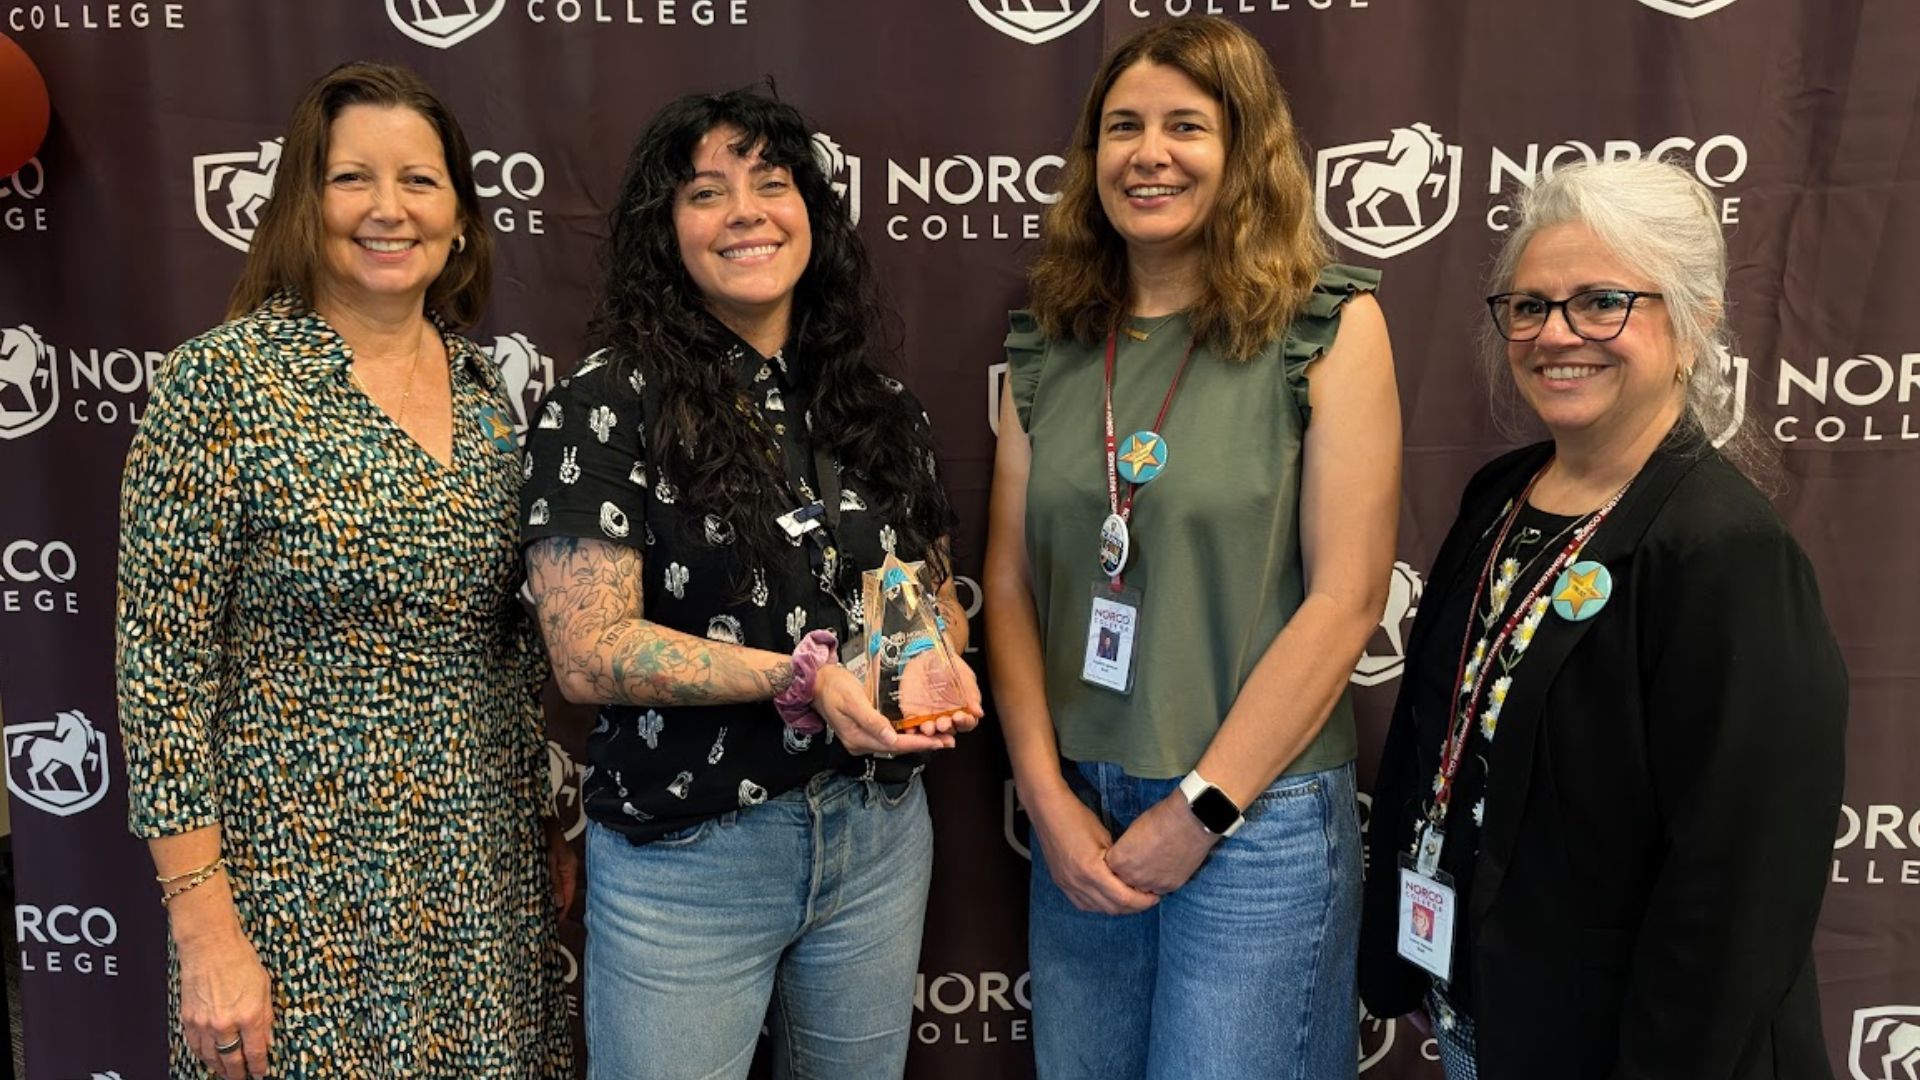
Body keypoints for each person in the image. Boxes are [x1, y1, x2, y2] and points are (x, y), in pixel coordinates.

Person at [115, 62, 573, 1080]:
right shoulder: (220, 385)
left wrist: (548, 817)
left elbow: (503, 646)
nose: (387, 208)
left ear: (460, 219)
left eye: (420, 181)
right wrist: (204, 931)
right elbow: (161, 678)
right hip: (296, 887)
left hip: (481, 872)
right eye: (351, 178)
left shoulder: (483, 390)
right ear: (301, 205)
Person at [519, 87, 982, 1080]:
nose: (744, 213)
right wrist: (805, 679)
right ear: (666, 228)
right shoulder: (605, 403)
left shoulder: (877, 405)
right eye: (706, 192)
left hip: (876, 842)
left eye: (771, 184)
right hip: (690, 858)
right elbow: (589, 652)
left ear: (810, 210)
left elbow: (929, 588)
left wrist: (931, 659)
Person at [1358, 159, 1847, 1080]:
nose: (1557, 333)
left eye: (1602, 302)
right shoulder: (1499, 498)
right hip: (1488, 1018)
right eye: (1531, 305)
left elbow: (1741, 887)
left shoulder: (1724, 550)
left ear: (1693, 322)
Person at [983, 17, 1401, 1079]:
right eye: (1123, 127)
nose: (1149, 154)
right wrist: (1044, 797)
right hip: (1083, 818)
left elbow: (1349, 599)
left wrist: (1202, 808)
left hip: (1257, 821)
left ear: (1244, 149)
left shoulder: (1328, 327)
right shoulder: (1052, 338)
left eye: (1186, 126)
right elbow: (1010, 582)